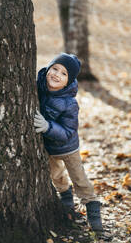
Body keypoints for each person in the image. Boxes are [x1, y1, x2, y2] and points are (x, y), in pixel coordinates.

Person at [34, 53, 103, 231]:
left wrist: (48, 127)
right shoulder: (39, 85)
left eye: (64, 74)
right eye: (55, 68)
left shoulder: (69, 102)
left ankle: (93, 208)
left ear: (68, 81)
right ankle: (66, 199)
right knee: (56, 175)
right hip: (49, 147)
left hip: (68, 148)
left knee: (79, 178)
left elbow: (68, 132)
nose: (57, 74)